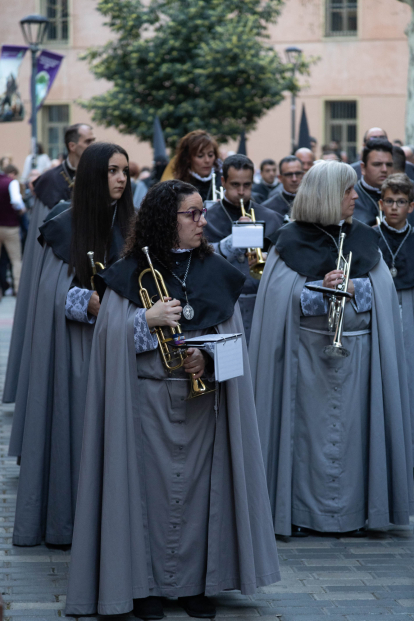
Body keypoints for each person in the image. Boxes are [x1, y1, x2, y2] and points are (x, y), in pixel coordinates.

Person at [64, 179, 280, 617]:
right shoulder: (128, 272)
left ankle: (195, 585)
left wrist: (206, 357)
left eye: (203, 213)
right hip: (142, 403)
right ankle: (143, 587)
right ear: (167, 219)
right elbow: (107, 338)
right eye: (193, 214)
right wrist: (147, 317)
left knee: (203, 495)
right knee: (141, 494)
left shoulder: (217, 270)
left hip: (203, 406)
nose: (204, 221)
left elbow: (235, 342)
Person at [250, 160, 414, 538]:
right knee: (304, 439)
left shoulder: (364, 237)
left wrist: (358, 289)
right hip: (303, 361)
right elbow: (278, 300)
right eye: (347, 191)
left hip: (360, 360)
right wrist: (317, 289)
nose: (357, 197)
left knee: (357, 435)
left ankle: (358, 513)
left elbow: (384, 295)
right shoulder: (289, 240)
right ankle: (300, 513)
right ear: (325, 195)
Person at [10, 143, 134, 547]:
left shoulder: (133, 223)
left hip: (127, 344)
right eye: (113, 171)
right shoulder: (65, 223)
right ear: (95, 175)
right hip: (79, 346)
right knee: (78, 432)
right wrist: (89, 302)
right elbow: (49, 291)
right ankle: (71, 523)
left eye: (125, 172)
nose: (121, 179)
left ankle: (117, 520)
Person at [2, 123, 96, 405]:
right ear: (73, 145)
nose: (93, 143)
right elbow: (41, 242)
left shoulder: (99, 176)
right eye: (88, 139)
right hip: (60, 269)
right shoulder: (50, 182)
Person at [203, 154, 283, 343]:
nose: (241, 192)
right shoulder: (207, 218)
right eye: (235, 185)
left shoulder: (271, 217)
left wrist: (267, 257)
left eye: (246, 185)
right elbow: (203, 260)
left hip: (262, 302)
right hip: (224, 302)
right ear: (223, 181)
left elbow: (283, 261)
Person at [376, 173, 414, 460]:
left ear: (410, 207)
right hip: (381, 305)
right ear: (380, 203)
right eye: (389, 201)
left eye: (401, 202)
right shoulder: (369, 236)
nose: (394, 208)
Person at [353, 139, 393, 226]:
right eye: (377, 164)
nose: (384, 170)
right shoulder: (350, 197)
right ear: (363, 168)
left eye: (389, 165)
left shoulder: (405, 195)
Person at [173, 130, 222, 202]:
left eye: (210, 155)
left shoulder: (223, 181)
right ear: (188, 158)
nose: (207, 160)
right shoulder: (178, 187)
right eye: (200, 156)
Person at [0, 164, 25, 294]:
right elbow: (16, 200)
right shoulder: (11, 182)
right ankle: (18, 289)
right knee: (16, 260)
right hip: (10, 227)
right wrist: (22, 209)